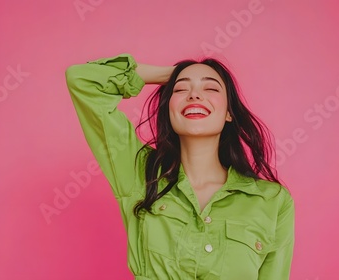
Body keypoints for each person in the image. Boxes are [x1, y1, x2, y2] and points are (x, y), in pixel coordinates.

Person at [65, 53, 294, 279]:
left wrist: (185, 78)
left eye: (211, 89)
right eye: (181, 89)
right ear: (169, 110)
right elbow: (82, 79)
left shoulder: (272, 200)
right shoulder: (140, 172)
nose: (194, 95)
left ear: (228, 113)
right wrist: (173, 73)